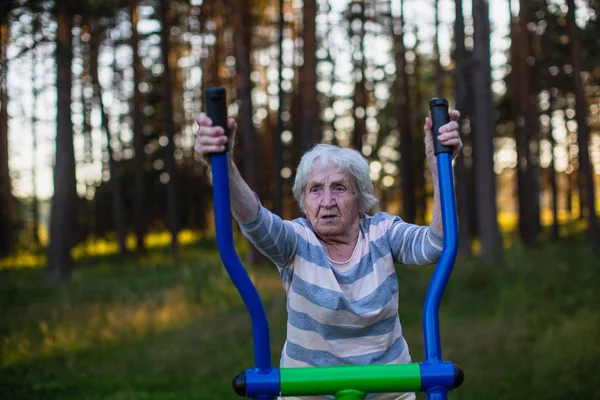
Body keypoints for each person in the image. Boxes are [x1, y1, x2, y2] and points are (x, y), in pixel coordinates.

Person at [195, 110, 463, 400]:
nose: (327, 202)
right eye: (315, 190)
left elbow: (436, 243)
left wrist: (440, 166)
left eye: (339, 188)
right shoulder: (296, 240)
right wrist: (223, 166)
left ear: (361, 199)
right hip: (309, 391)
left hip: (389, 389)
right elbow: (254, 219)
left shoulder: (381, 231)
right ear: (303, 202)